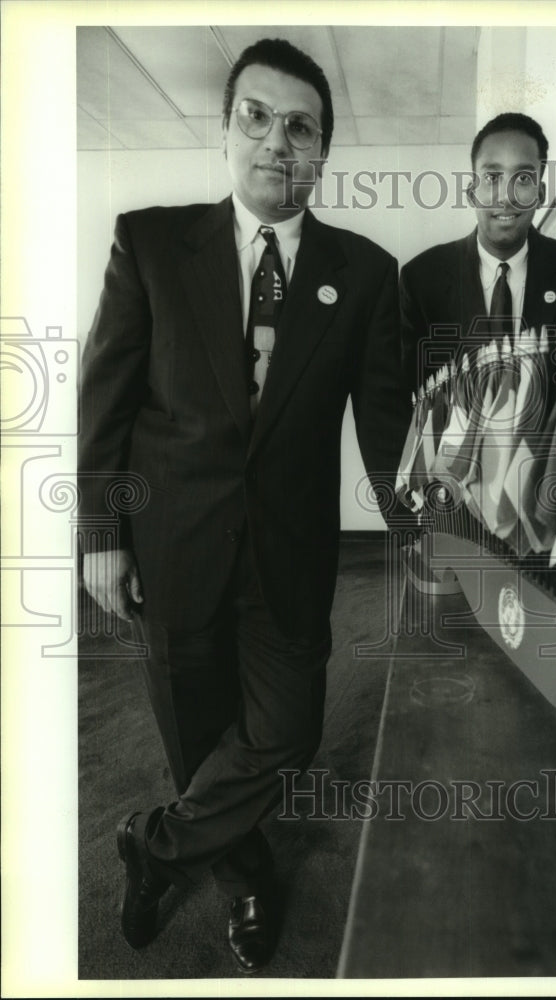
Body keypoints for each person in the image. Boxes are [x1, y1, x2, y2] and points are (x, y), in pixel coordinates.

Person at [78, 37, 409, 974]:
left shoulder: (366, 273)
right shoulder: (148, 241)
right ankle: (247, 876)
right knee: (195, 732)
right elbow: (105, 404)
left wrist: (422, 533)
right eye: (256, 118)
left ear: (322, 152)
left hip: (292, 558)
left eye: (300, 126)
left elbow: (385, 429)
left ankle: (156, 841)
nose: (277, 142)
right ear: (225, 131)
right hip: (171, 548)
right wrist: (102, 533)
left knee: (287, 730)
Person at [400, 112, 556, 394]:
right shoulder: (421, 280)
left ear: (540, 193)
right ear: (471, 192)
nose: (506, 196)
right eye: (491, 177)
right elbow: (405, 401)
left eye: (523, 178)